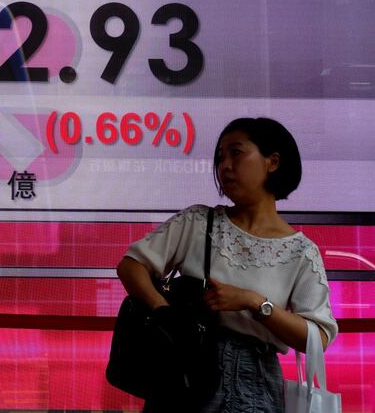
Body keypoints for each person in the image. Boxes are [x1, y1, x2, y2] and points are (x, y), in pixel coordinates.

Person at [117, 117, 337, 412]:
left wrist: (254, 302)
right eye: (220, 157)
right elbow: (132, 265)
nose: (225, 166)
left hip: (256, 379)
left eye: (236, 152)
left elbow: (317, 338)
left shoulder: (301, 251)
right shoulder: (197, 221)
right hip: (186, 369)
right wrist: (164, 312)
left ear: (272, 162)